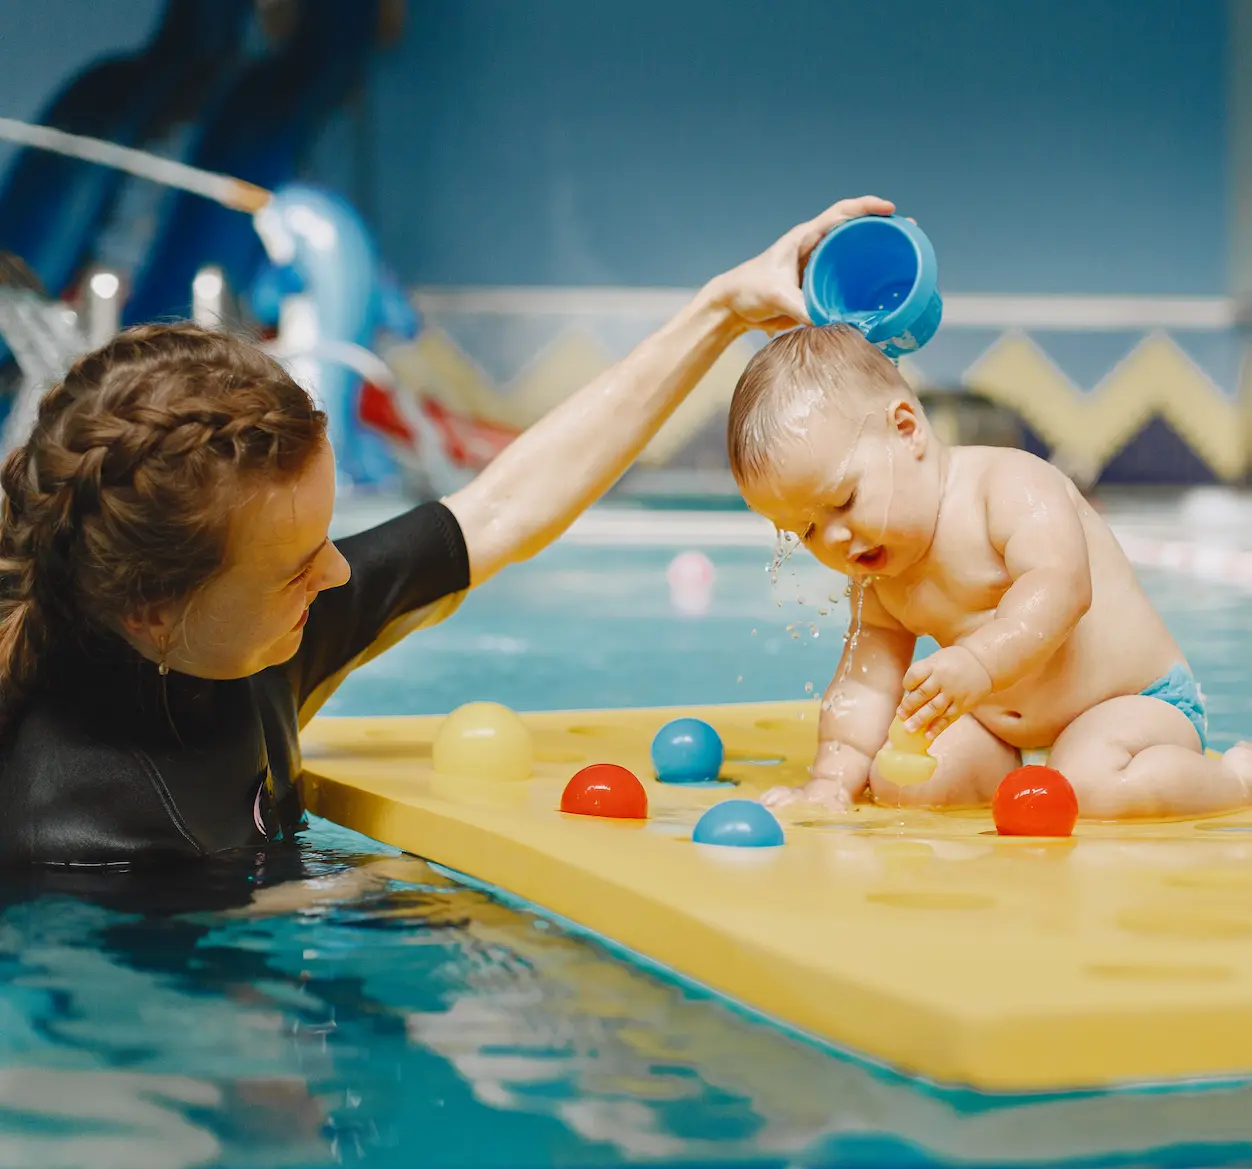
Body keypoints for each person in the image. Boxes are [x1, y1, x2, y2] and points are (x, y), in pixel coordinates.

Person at [0, 196, 895, 865]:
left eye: (326, 543)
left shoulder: (237, 638)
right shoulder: (81, 837)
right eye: (296, 569)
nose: (339, 577)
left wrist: (723, 309)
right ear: (152, 614)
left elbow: (500, 511)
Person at [726, 323, 1252, 818]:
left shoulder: (1007, 487)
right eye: (805, 532)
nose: (834, 539)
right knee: (903, 783)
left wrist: (979, 661)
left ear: (907, 429)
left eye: (845, 501)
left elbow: (1062, 589)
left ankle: (1242, 780)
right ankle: (1020, 771)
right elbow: (865, 683)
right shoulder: (878, 573)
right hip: (1007, 732)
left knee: (1088, 785)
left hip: (1135, 705)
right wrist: (830, 781)